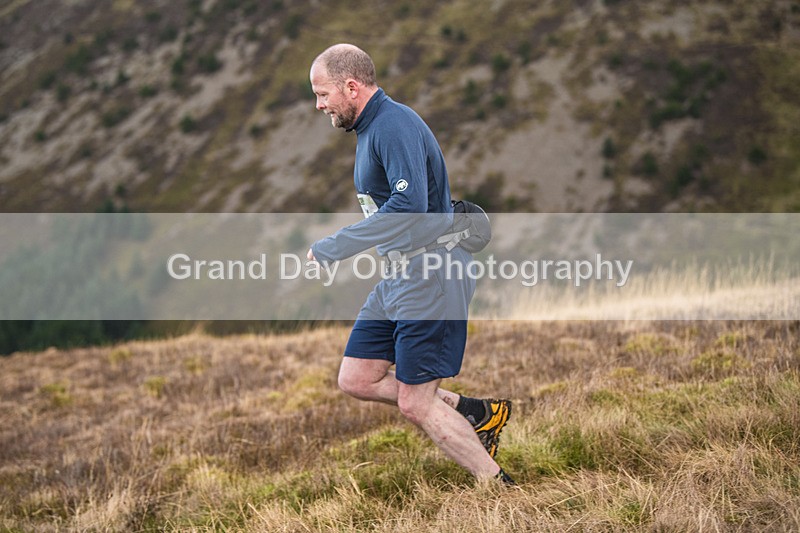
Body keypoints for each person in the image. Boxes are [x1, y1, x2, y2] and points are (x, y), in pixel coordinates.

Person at [306, 43, 514, 484]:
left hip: (431, 272)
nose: (319, 104)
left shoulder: (393, 124)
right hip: (400, 274)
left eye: (323, 94)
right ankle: (477, 413)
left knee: (415, 403)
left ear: (351, 86)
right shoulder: (370, 129)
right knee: (357, 377)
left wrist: (335, 247)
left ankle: (499, 488)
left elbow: (409, 205)